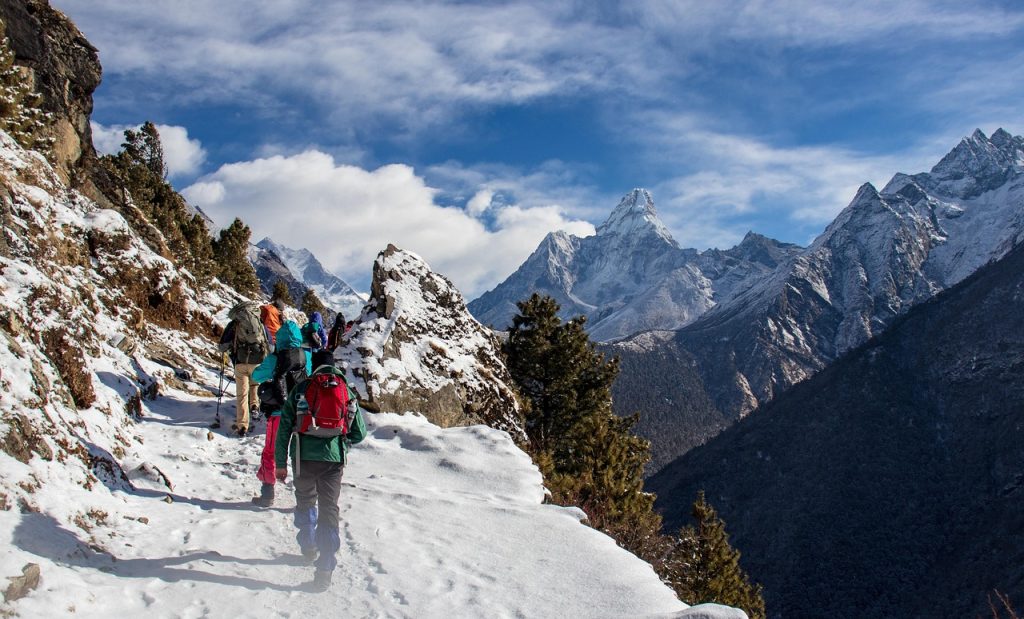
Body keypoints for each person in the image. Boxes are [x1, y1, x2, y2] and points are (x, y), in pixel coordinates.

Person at [276, 350, 366, 592]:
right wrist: (341, 439)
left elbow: (284, 426)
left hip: (302, 457)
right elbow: (359, 433)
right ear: (333, 366)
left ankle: (308, 546)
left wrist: (280, 463)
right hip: (333, 461)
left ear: (314, 367)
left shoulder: (302, 388)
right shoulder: (345, 390)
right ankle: (325, 569)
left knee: (305, 500)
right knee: (329, 509)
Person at [251, 320, 311, 507]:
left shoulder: (275, 358)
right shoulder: (306, 357)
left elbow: (256, 376)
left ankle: (267, 493)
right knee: (302, 454)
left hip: (278, 413)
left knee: (271, 451)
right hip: (301, 413)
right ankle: (306, 497)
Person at [217, 301, 270, 437]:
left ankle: (242, 425)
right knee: (255, 384)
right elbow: (269, 341)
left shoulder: (235, 323)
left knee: (242, 394)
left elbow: (222, 345)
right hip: (257, 360)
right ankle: (254, 406)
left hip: (240, 362)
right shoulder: (259, 321)